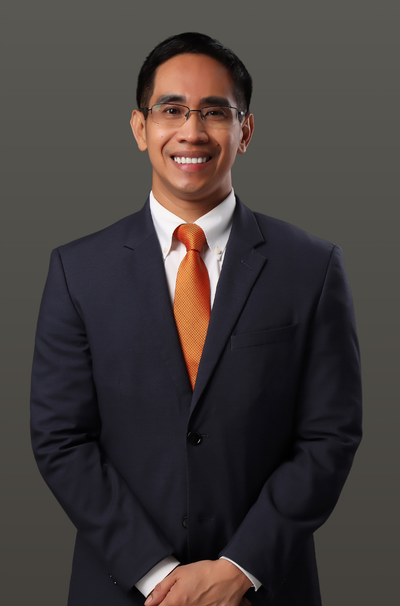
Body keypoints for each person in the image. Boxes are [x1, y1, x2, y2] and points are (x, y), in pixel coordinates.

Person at [30, 32, 362, 606]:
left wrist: (238, 569)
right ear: (140, 128)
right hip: (121, 589)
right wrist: (157, 574)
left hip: (264, 588)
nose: (192, 131)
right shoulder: (76, 270)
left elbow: (330, 435)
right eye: (171, 110)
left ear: (245, 131)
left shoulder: (311, 267)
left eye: (214, 111)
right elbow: (61, 439)